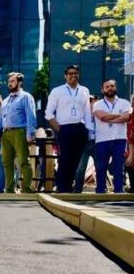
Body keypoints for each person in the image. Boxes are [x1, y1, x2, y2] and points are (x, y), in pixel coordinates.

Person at [45, 65, 91, 193]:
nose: (73, 75)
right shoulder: (57, 91)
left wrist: (88, 130)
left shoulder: (84, 90)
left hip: (80, 129)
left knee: (75, 162)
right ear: (65, 76)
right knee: (65, 159)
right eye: (70, 73)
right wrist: (59, 129)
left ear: (79, 75)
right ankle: (62, 189)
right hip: (64, 128)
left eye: (75, 73)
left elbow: (87, 112)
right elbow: (48, 113)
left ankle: (69, 188)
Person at [0, 72, 37, 194]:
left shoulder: (26, 97)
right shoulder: (6, 100)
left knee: (23, 161)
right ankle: (9, 189)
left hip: (20, 131)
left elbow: (31, 115)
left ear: (20, 82)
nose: (10, 83)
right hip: (6, 133)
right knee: (7, 163)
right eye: (9, 81)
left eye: (13, 81)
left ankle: (26, 188)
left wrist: (30, 133)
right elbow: (0, 117)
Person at [91, 79, 132, 193]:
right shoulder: (97, 104)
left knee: (119, 167)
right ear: (102, 89)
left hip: (120, 139)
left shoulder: (125, 102)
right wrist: (120, 115)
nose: (110, 88)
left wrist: (110, 118)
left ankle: (119, 190)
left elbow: (127, 117)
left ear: (116, 87)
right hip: (102, 140)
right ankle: (100, 190)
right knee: (101, 167)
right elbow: (102, 117)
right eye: (107, 86)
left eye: (112, 86)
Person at [74, 94, 98, 193]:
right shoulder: (80, 115)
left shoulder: (99, 114)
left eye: (90, 101)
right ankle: (77, 189)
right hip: (84, 144)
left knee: (100, 167)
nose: (88, 104)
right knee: (80, 168)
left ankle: (101, 189)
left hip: (97, 143)